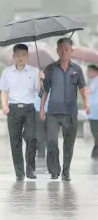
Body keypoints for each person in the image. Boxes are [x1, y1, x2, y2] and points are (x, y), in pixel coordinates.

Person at [40, 38, 90, 181]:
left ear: (71, 51)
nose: (63, 52)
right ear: (57, 50)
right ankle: (54, 170)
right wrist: (42, 108)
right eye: (61, 49)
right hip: (53, 113)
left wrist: (86, 102)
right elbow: (45, 90)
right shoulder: (50, 69)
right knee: (52, 142)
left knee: (69, 144)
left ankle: (66, 171)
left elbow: (82, 87)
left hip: (70, 112)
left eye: (66, 49)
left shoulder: (77, 70)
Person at [0, 44, 41, 180]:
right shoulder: (7, 72)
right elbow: (4, 91)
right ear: (13, 56)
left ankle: (30, 169)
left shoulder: (35, 72)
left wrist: (41, 80)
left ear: (28, 56)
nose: (20, 57)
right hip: (13, 109)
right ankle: (19, 172)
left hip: (30, 109)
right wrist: (5, 106)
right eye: (18, 55)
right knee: (15, 141)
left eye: (23, 55)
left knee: (31, 138)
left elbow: (39, 91)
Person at [87, 65, 98, 159]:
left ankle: (96, 151)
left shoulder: (96, 80)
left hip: (95, 111)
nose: (87, 73)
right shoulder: (93, 80)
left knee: (95, 131)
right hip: (93, 110)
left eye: (89, 71)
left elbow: (89, 91)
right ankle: (95, 151)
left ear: (94, 71)